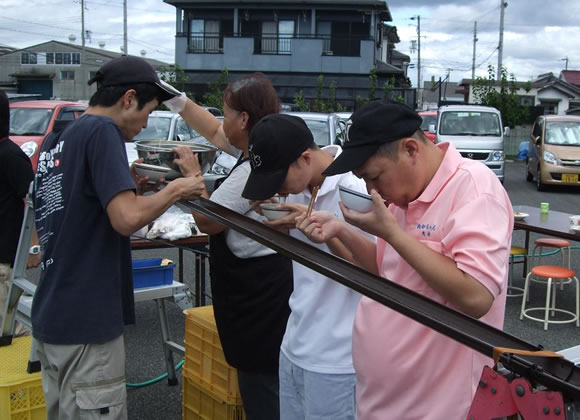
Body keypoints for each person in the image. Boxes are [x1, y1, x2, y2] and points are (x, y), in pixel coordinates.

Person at [296, 100, 513, 420]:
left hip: (439, 407)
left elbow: (476, 296)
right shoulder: (403, 196)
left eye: (375, 176)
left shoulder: (474, 189)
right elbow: (387, 270)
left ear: (411, 149)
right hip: (380, 400)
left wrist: (394, 234)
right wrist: (340, 230)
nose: (371, 190)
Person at [31, 56, 205, 420]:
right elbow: (126, 219)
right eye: (149, 111)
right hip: (87, 323)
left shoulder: (58, 138)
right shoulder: (103, 132)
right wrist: (178, 188)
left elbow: (79, 205)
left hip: (52, 315)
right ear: (128, 98)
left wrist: (129, 183)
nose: (144, 125)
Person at [166, 73, 293, 420]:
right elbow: (214, 132)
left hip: (260, 304)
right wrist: (174, 100)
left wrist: (193, 178)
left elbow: (209, 221)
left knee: (264, 394)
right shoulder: (260, 149)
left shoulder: (253, 167)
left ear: (244, 119)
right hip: (266, 296)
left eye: (226, 112)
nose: (222, 121)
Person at [241, 113, 371, 420]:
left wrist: (327, 230)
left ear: (304, 158)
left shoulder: (354, 191)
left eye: (279, 178)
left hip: (338, 360)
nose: (280, 189)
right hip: (294, 343)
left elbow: (370, 275)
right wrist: (277, 222)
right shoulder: (300, 188)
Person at [0, 89, 40, 337]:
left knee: (11, 331)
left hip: (3, 261)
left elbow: (36, 202)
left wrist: (33, 246)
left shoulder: (11, 156)